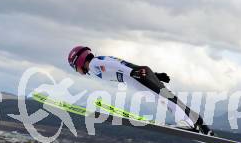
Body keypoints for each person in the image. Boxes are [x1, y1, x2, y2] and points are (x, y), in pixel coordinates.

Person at [67, 46, 214, 135]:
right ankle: (202, 126)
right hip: (141, 73)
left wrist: (133, 74)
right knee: (171, 99)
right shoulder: (98, 60)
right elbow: (123, 63)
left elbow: (118, 67)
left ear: (79, 61)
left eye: (74, 67)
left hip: (138, 76)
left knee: (164, 100)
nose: (76, 70)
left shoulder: (94, 64)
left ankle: (189, 125)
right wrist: (155, 75)